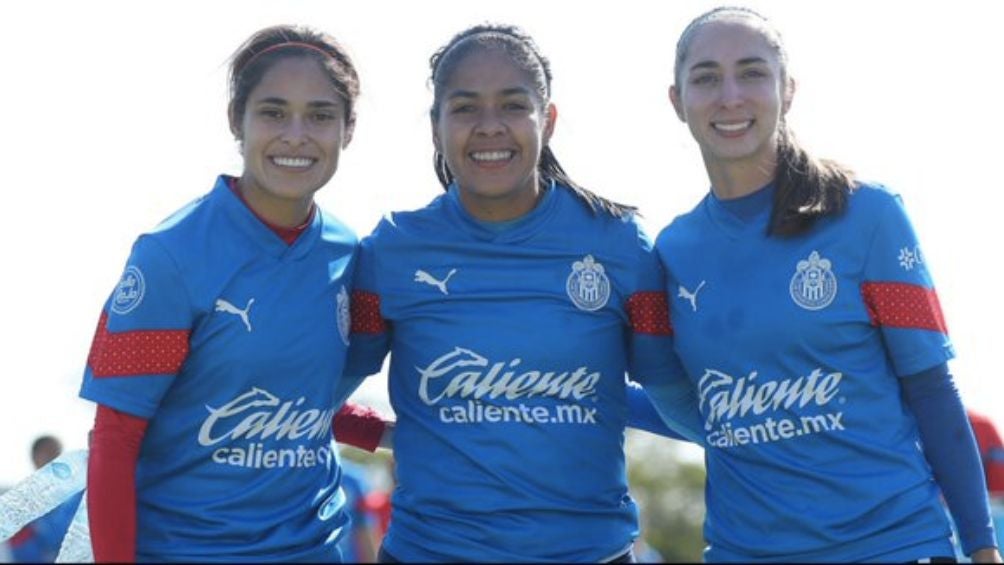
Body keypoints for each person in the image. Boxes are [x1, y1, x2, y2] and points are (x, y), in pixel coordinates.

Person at [345, 23, 702, 563]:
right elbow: (311, 394)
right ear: (436, 126)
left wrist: (768, 439)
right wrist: (386, 433)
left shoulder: (620, 244)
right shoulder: (392, 250)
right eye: (465, 107)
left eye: (513, 105)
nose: (490, 126)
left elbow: (668, 394)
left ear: (548, 120)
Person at [655, 6, 1001, 562]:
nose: (730, 96)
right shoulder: (671, 252)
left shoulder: (869, 215)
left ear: (787, 89)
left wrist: (982, 547)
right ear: (676, 101)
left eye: (752, 72)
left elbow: (932, 390)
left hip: (893, 547)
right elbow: (692, 408)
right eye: (706, 78)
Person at [77, 24, 385, 562]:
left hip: (316, 550)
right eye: (273, 112)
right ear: (235, 119)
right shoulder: (171, 256)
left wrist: (396, 435)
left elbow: (307, 405)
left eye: (320, 115)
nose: (296, 135)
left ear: (348, 129)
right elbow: (115, 439)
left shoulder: (350, 254)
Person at [6, 436, 82, 563]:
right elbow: (21, 551)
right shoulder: (18, 503)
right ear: (35, 458)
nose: (55, 460)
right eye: (48, 454)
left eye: (58, 454)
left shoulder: (77, 497)